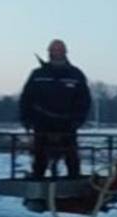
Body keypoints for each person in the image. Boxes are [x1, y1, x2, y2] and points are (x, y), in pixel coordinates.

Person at [19, 39, 91, 178]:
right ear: (49, 52)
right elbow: (26, 98)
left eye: (59, 50)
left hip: (67, 124)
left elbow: (84, 100)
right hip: (41, 123)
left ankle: (74, 183)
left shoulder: (76, 74)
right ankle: (37, 182)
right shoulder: (37, 74)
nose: (56, 53)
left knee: (72, 158)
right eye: (53, 50)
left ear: (65, 52)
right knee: (39, 159)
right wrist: (26, 119)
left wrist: (78, 120)